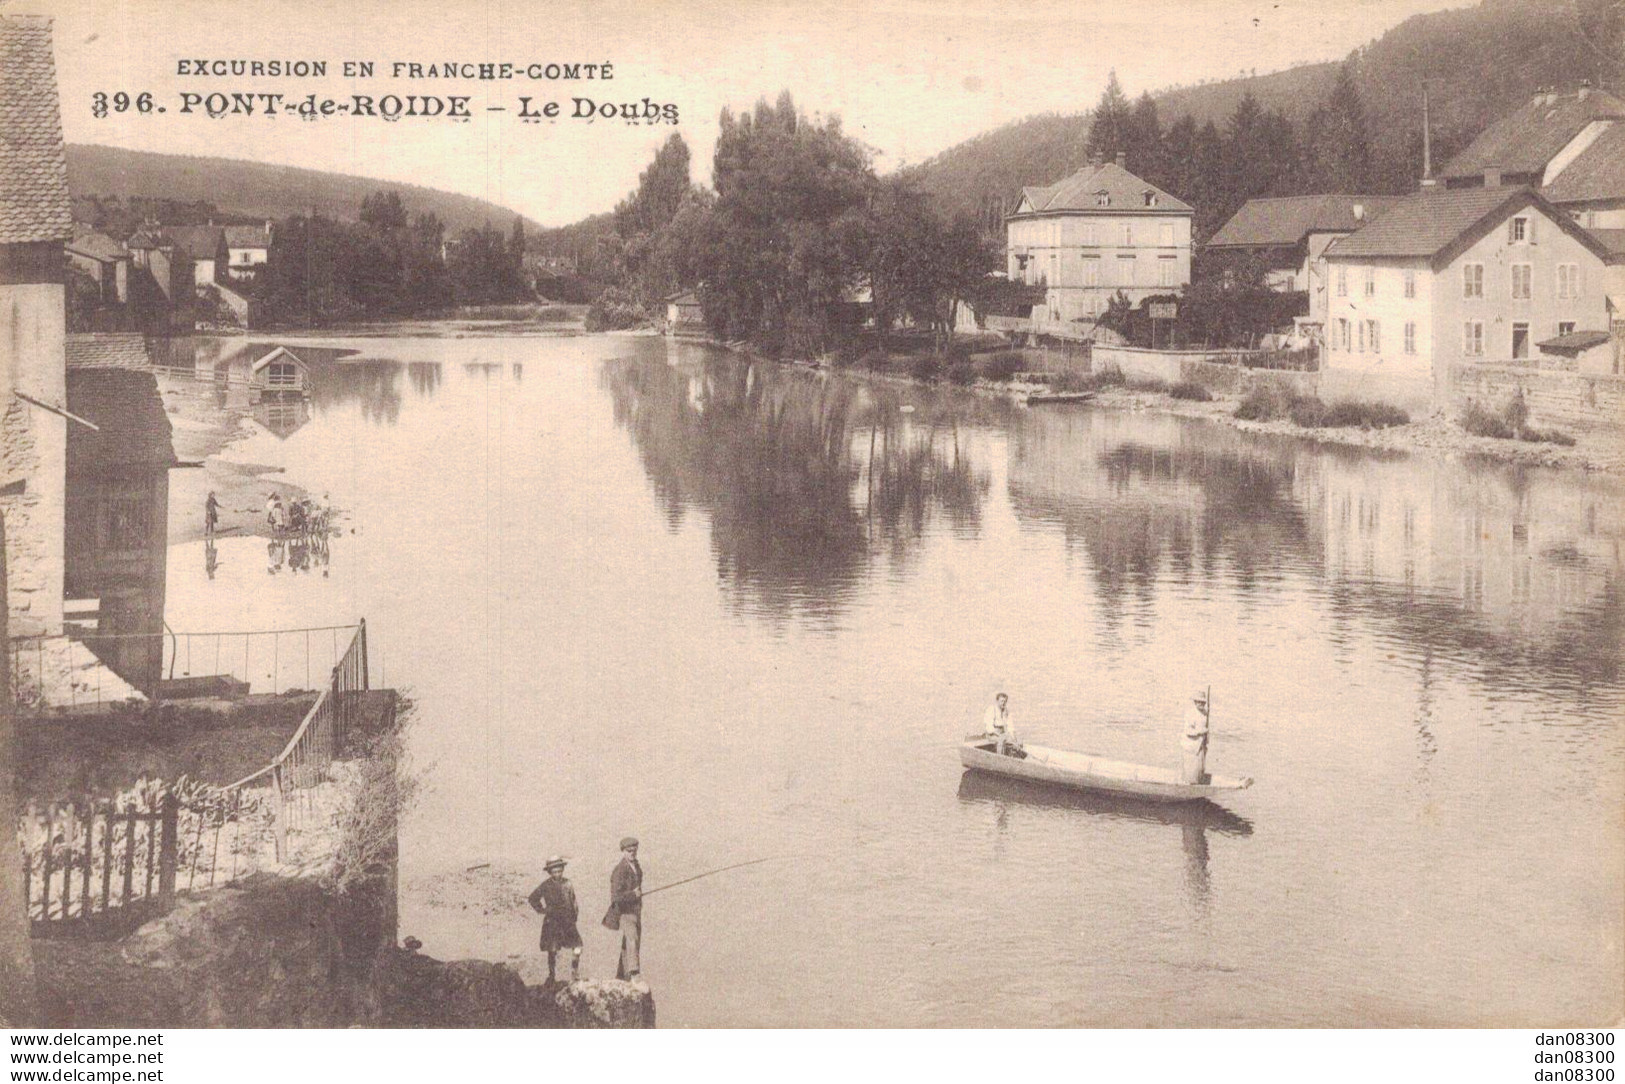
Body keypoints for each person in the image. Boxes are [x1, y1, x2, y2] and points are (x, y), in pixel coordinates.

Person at [527, 856, 582, 984]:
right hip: (553, 922)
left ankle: (575, 972)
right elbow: (532, 898)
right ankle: (551, 975)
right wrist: (542, 910)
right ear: (550, 872)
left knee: (578, 946)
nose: (557, 874)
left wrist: (574, 916)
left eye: (560, 871)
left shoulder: (568, 883)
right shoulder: (545, 885)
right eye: (554, 872)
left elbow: (573, 901)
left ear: (563, 870)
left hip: (568, 921)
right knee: (552, 949)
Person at [601, 837, 643, 980]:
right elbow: (616, 897)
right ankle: (634, 973)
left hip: (635, 911)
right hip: (624, 912)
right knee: (632, 939)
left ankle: (622, 975)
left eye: (634, 850)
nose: (632, 853)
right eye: (629, 851)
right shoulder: (620, 870)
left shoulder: (636, 866)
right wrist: (633, 894)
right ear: (623, 851)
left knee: (628, 942)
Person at [1182, 688, 1210, 785]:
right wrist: (1200, 732)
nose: (1201, 704)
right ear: (1195, 702)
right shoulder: (1190, 713)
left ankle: (1196, 785)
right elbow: (1187, 731)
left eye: (1203, 703)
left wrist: (1206, 741)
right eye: (1199, 702)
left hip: (1201, 745)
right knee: (1191, 771)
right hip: (1191, 746)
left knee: (1200, 769)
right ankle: (1189, 786)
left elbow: (1206, 729)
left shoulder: (1205, 713)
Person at [983, 692, 1023, 757]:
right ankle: (1000, 759)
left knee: (1019, 742)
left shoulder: (1006, 711)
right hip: (991, 734)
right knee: (1002, 740)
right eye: (1002, 701)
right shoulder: (991, 709)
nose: (1003, 703)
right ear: (997, 701)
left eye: (1005, 701)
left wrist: (1014, 739)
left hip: (1002, 733)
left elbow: (1010, 727)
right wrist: (1000, 736)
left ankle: (1015, 758)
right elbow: (989, 728)